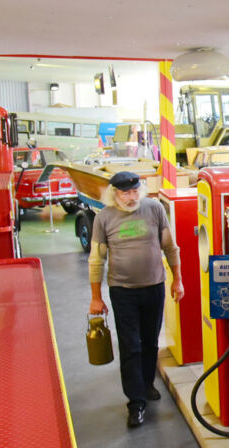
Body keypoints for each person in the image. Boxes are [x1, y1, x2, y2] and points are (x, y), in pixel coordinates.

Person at [89, 171, 184, 428]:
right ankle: (136, 402)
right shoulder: (104, 218)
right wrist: (96, 297)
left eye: (134, 191)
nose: (131, 197)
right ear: (114, 194)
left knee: (151, 341)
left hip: (154, 287)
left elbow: (170, 247)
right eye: (125, 193)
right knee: (131, 346)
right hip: (123, 291)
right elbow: (97, 259)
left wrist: (177, 279)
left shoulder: (154, 209)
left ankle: (146, 384)